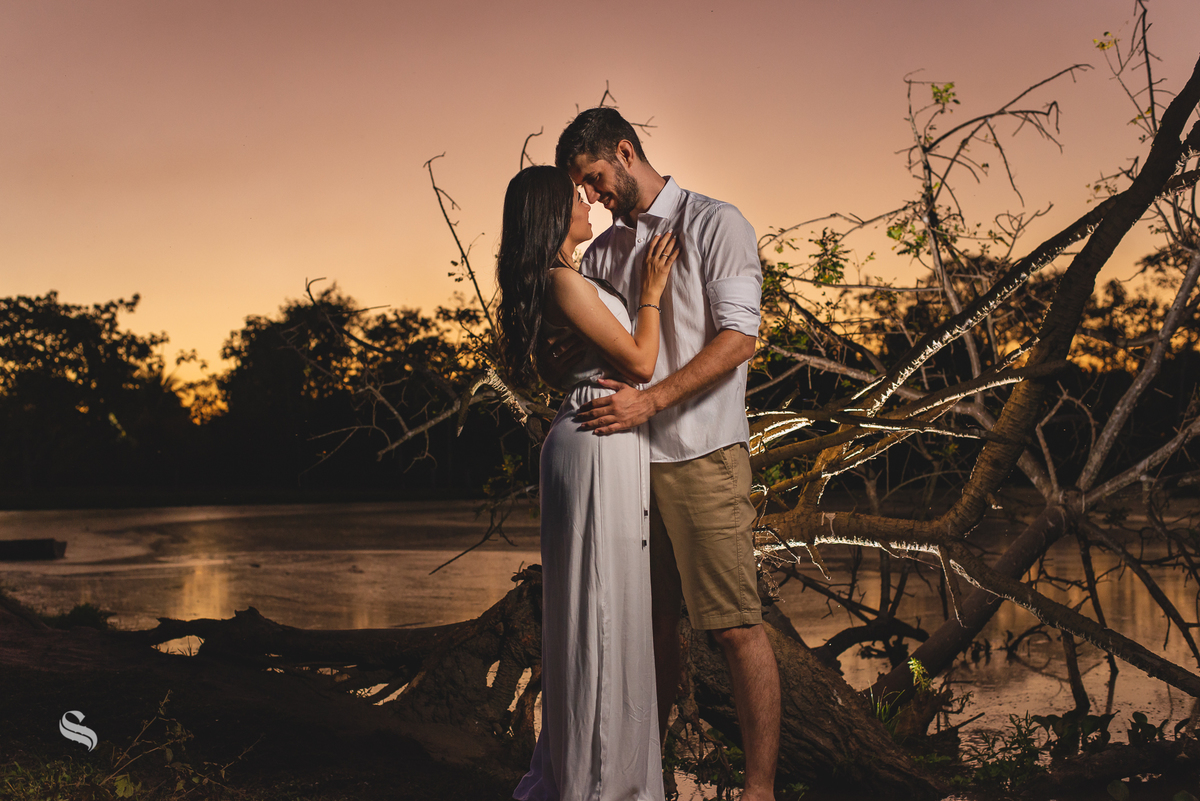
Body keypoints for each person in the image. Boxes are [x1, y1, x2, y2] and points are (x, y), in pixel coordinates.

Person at [548, 107, 781, 801]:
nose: (593, 196)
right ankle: (645, 775)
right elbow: (608, 344)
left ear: (625, 151)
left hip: (703, 456)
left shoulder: (716, 223)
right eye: (583, 189)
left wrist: (650, 402)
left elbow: (740, 338)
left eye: (595, 179)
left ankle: (759, 789)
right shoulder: (609, 251)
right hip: (624, 468)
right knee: (644, 633)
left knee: (736, 626)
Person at [497, 165, 679, 801]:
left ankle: (596, 774)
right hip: (598, 440)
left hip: (599, 435)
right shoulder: (561, 279)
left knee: (610, 608)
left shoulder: (564, 282)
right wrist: (651, 290)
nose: (588, 202)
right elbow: (641, 361)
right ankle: (601, 785)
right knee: (601, 612)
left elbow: (564, 365)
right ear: (551, 212)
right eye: (576, 196)